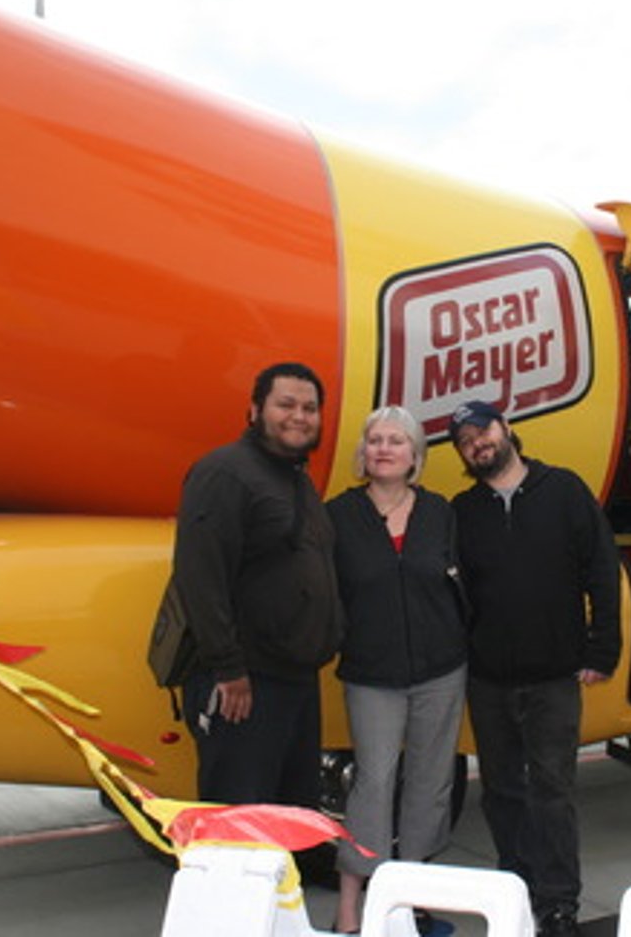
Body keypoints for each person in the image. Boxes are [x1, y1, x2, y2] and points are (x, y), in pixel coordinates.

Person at [448, 400, 621, 937]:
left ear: (506, 429)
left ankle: (559, 904)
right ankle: (515, 889)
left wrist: (602, 649)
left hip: (554, 678)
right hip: (489, 679)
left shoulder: (564, 491)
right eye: (465, 441)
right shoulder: (462, 510)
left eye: (483, 431)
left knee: (553, 792)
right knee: (501, 791)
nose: (478, 443)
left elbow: (602, 569)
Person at [167, 362, 343, 811]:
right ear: (254, 410)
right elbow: (200, 575)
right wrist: (229, 670)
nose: (299, 416)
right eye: (286, 404)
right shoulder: (225, 473)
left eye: (309, 408)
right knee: (240, 822)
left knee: (288, 816)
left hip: (293, 682)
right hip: (244, 688)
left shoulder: (295, 479)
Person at [326, 406, 468, 934]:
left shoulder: (440, 512)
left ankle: (412, 900)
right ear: (363, 454)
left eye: (396, 441)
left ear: (415, 457)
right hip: (371, 674)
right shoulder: (337, 514)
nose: (384, 448)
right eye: (375, 440)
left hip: (442, 670)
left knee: (431, 784)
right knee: (374, 782)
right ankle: (350, 904)